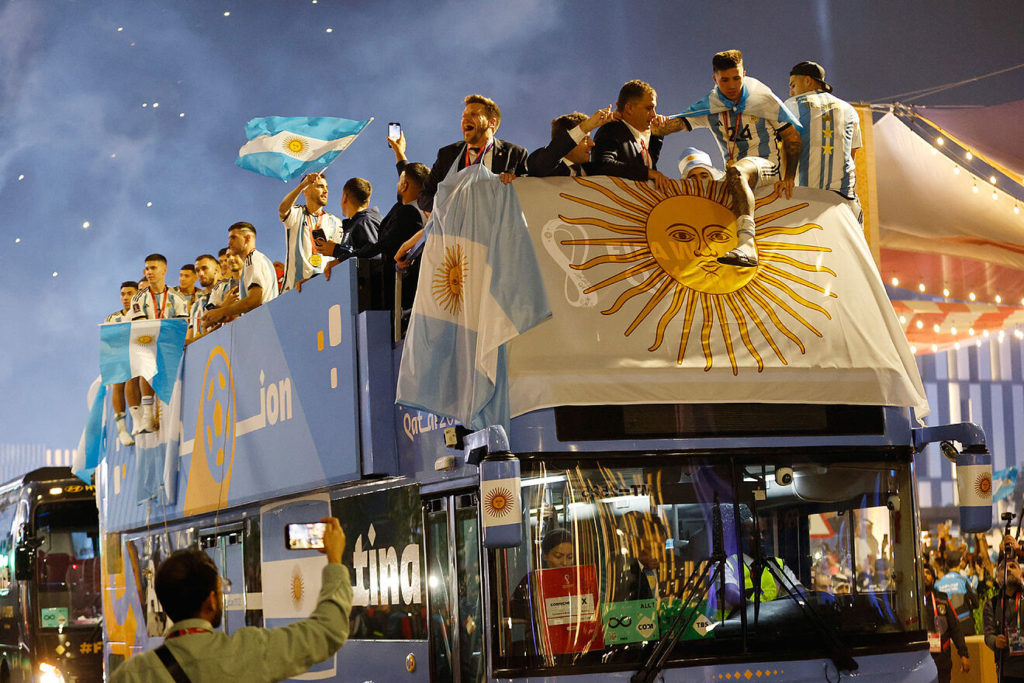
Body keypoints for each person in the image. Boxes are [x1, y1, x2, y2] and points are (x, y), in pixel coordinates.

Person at [110, 517, 352, 682]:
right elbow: (328, 631)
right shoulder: (250, 652)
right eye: (221, 589)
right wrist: (334, 559)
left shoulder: (134, 674)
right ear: (211, 601)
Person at [675, 50, 802, 268]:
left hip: (767, 166)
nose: (732, 85)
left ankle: (747, 245)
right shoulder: (711, 105)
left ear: (744, 74)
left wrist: (789, 176)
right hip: (735, 173)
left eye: (737, 78)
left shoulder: (761, 98)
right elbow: (673, 124)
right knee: (715, 195)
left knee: (737, 171)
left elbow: (792, 138)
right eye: (725, 80)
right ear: (715, 79)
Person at [325, 141, 429, 312]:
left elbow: (378, 247)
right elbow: (413, 178)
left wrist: (339, 256)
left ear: (404, 185)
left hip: (402, 301)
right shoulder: (418, 208)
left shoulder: (408, 213)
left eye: (401, 180)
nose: (398, 182)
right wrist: (399, 152)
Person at [412, 94, 529, 212]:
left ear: (491, 123)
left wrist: (514, 183)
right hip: (457, 228)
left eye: (473, 114)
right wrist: (449, 205)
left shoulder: (515, 154)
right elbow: (424, 198)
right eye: (464, 116)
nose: (465, 120)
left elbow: (529, 193)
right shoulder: (447, 154)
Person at [126, 254, 190, 435]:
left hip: (172, 344)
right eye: (147, 268)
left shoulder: (177, 297)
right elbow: (142, 328)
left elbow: (181, 327)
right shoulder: (138, 298)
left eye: (153, 268)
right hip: (150, 343)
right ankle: (147, 412)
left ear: (164, 270)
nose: (149, 272)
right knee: (144, 353)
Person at [784, 61, 862, 207]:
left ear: (808, 80)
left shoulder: (791, 105)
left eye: (793, 85)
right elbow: (851, 156)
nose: (791, 92)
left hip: (803, 198)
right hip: (843, 200)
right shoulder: (849, 110)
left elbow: (784, 149)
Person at [591, 80, 681, 194]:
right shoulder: (611, 130)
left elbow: (646, 165)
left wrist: (658, 133)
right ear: (629, 108)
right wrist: (647, 173)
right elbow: (601, 165)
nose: (654, 114)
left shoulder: (640, 136)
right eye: (649, 108)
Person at [277, 172, 344, 291]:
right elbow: (282, 209)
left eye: (326, 187)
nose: (326, 191)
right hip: (294, 290)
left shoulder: (336, 222)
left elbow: (339, 255)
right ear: (306, 191)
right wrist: (301, 185)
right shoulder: (296, 213)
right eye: (320, 186)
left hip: (324, 287)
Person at [203, 223, 278, 328]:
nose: (229, 242)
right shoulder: (255, 260)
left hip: (262, 327)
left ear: (247, 238)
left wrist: (222, 311)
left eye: (233, 237)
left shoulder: (253, 259)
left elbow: (254, 301)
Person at [525, 106, 614, 177]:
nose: (592, 144)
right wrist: (586, 126)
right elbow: (543, 163)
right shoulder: (545, 167)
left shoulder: (594, 172)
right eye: (585, 139)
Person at [104, 280, 139, 446]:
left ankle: (138, 418)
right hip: (120, 357)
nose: (125, 298)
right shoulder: (113, 318)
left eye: (129, 294)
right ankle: (122, 428)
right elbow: (109, 343)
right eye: (123, 294)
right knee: (118, 376)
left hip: (140, 355)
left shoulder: (143, 312)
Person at [923, 563, 970, 683]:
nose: (924, 575)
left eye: (928, 573)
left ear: (933, 578)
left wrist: (963, 654)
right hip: (921, 660)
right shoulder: (913, 604)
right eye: (922, 573)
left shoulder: (942, 599)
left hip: (942, 659)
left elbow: (955, 628)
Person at [314, 178, 382, 260]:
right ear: (368, 203)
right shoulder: (359, 223)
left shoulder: (365, 222)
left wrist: (337, 250)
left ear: (345, 197)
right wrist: (337, 249)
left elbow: (374, 256)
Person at [984, 556, 1024, 682]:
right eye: (1003, 568)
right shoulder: (992, 604)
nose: (1008, 569)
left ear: (1021, 573)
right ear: (997, 578)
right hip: (1006, 670)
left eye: (1013, 566)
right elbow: (988, 635)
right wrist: (995, 641)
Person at [186, 254, 222, 343]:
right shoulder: (196, 305)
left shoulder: (227, 291)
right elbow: (190, 337)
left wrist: (193, 340)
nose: (201, 273)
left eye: (204, 268)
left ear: (216, 269)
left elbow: (225, 325)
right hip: (202, 354)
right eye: (197, 270)